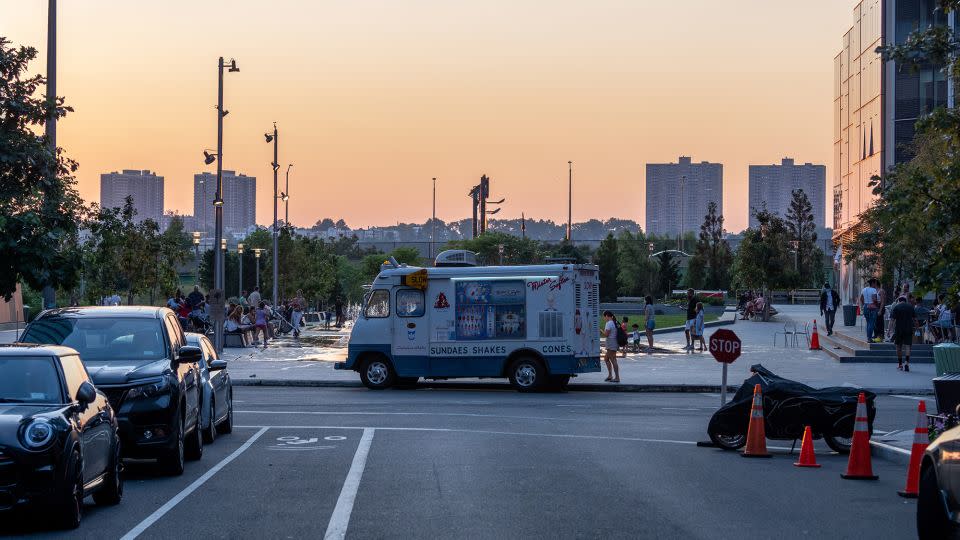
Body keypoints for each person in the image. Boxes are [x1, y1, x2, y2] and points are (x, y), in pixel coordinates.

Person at [890, 296, 915, 372]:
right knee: (908, 346)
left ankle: (900, 364)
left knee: (899, 347)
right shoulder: (910, 307)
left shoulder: (897, 307)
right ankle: (906, 362)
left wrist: (889, 331)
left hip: (899, 330)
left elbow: (892, 320)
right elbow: (915, 319)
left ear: (899, 301)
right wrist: (917, 329)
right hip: (908, 329)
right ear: (905, 301)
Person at [601, 310, 620, 383]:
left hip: (611, 343)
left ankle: (617, 377)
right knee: (606, 358)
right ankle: (610, 375)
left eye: (604, 317)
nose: (604, 318)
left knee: (613, 360)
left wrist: (601, 331)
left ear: (606, 316)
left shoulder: (609, 323)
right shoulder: (614, 322)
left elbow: (606, 334)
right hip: (613, 342)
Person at [859, 278, 880, 343]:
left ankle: (868, 337)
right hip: (873, 307)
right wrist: (877, 303)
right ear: (873, 283)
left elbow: (861, 298)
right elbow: (874, 299)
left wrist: (864, 304)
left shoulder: (864, 289)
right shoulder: (874, 290)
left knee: (868, 323)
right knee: (871, 323)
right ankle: (869, 338)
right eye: (875, 283)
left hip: (866, 306)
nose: (876, 284)